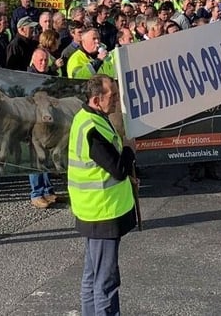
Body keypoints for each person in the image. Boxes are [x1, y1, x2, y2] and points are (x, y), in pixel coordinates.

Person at [67, 75, 137, 315]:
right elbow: (117, 168)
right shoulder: (93, 128)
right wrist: (129, 149)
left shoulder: (89, 117)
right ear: (97, 100)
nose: (117, 101)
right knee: (105, 282)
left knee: (93, 276)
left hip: (94, 210)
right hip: (102, 212)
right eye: (113, 97)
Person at [26, 47, 60, 209]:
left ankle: (47, 190)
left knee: (46, 157)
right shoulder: (27, 79)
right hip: (33, 126)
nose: (43, 63)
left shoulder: (48, 78)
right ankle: (36, 194)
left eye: (46, 60)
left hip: (48, 125)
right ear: (33, 60)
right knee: (36, 159)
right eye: (40, 60)